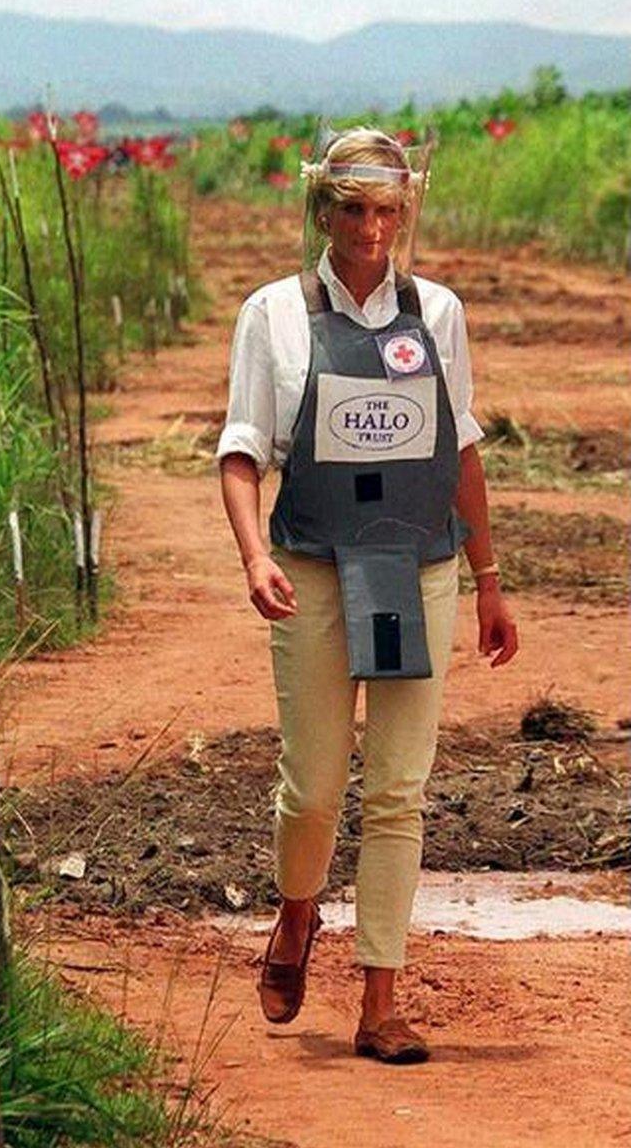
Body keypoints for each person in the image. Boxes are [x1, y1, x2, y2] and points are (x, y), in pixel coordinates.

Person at [216, 126, 518, 1065]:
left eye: (388, 210)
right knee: (313, 787)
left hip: (415, 569)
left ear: (406, 212)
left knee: (398, 791)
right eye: (354, 208)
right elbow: (240, 452)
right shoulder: (272, 314)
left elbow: (459, 450)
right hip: (310, 566)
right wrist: (251, 555)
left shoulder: (440, 316)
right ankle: (298, 913)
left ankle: (381, 997)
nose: (372, 228)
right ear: (322, 210)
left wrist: (488, 578)